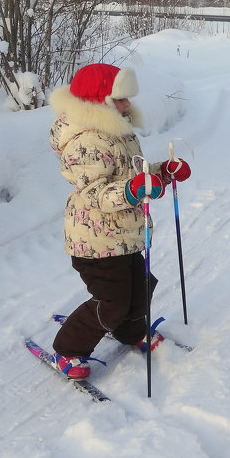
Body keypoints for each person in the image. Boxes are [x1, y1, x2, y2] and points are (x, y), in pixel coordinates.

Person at [47, 62, 192, 378]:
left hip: (124, 233)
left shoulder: (116, 129)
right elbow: (95, 194)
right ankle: (68, 349)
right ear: (100, 99)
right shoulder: (86, 140)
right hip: (95, 241)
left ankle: (130, 332)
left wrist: (162, 172)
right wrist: (132, 190)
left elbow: (132, 175)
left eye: (127, 98)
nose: (128, 105)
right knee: (112, 303)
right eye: (121, 99)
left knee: (141, 287)